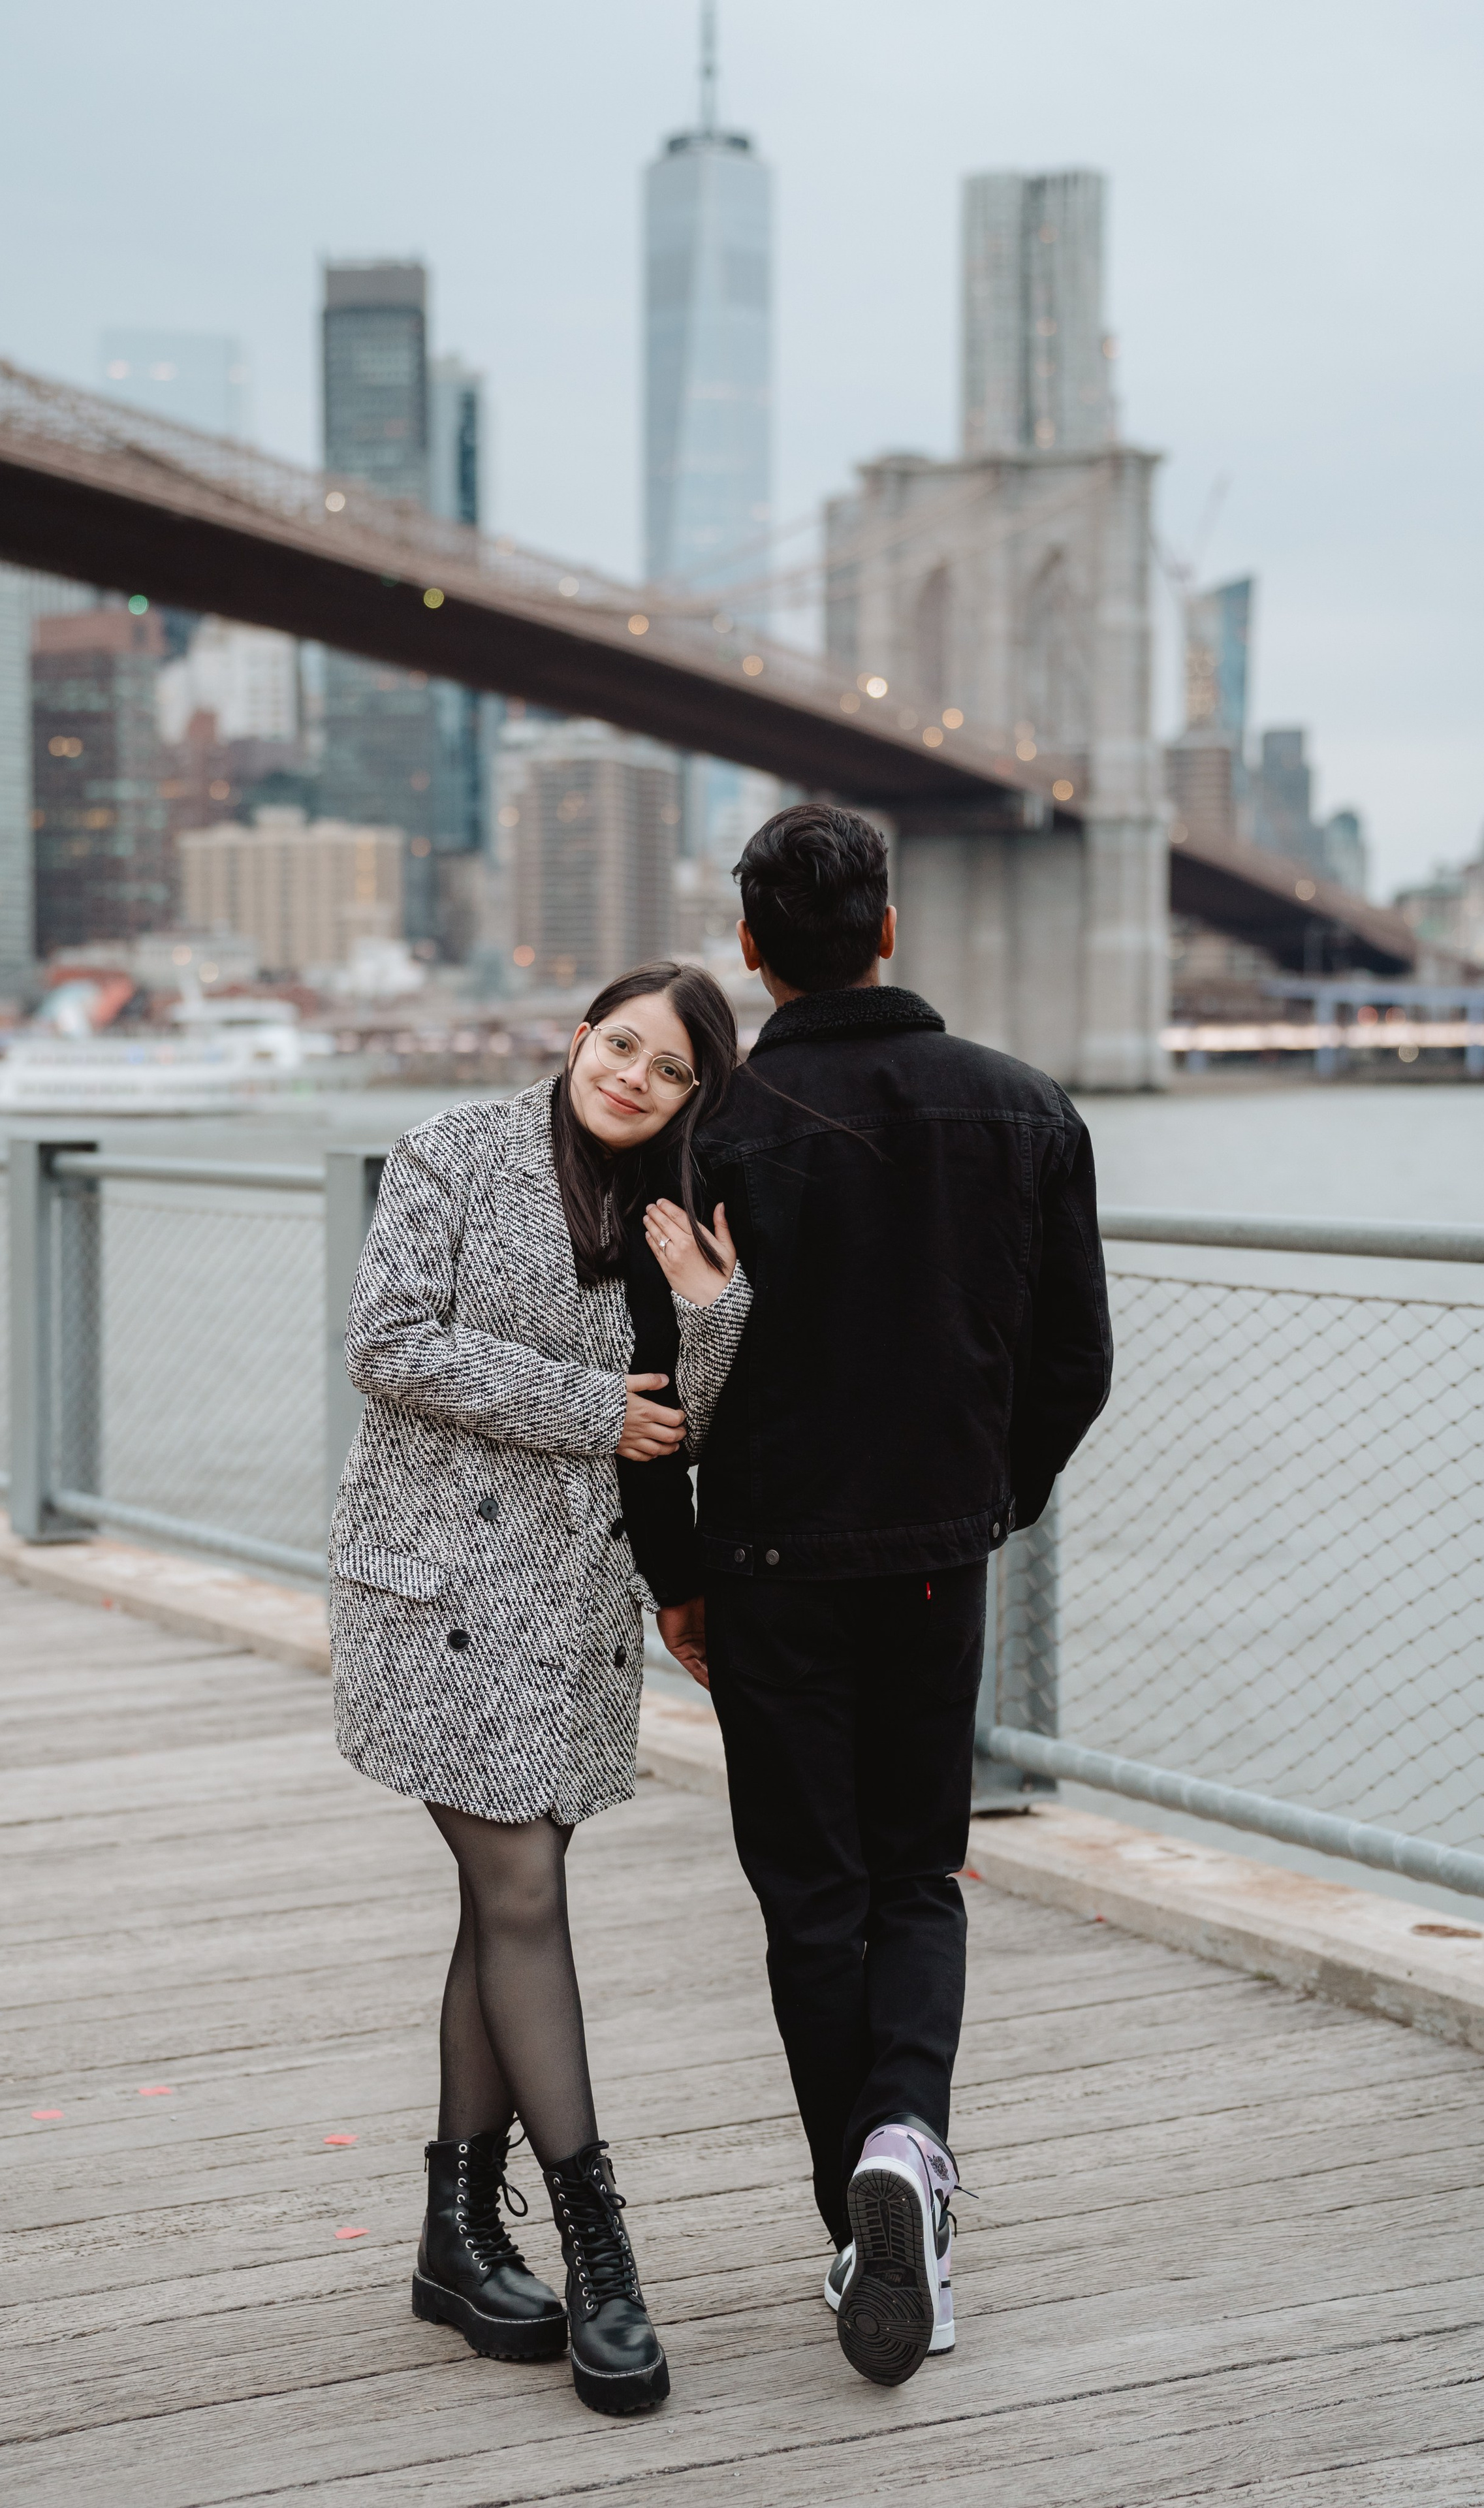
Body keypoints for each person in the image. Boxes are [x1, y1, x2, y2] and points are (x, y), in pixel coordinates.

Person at [619, 806, 1113, 2388]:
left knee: (811, 1903)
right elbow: (1073, 1368)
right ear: (887, 929)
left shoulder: (710, 1134)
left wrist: (675, 1574)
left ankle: (863, 2201)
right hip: (928, 1562)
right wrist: (985, 1502)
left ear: (750, 948)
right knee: (918, 1878)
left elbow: (648, 1389)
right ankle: (907, 2152)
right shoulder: (1026, 1112)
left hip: (763, 1568)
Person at [330, 962, 749, 2419]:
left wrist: (715, 1303)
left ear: (696, 1093)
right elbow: (384, 1343)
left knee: (500, 1905)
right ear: (577, 1040)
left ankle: (454, 2235)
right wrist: (585, 1411)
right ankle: (598, 2244)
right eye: (618, 1044)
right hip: (437, 1589)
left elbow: (686, 1426)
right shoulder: (455, 1150)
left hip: (566, 1609)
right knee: (520, 1896)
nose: (631, 1076)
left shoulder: (682, 1210)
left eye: (668, 1068)